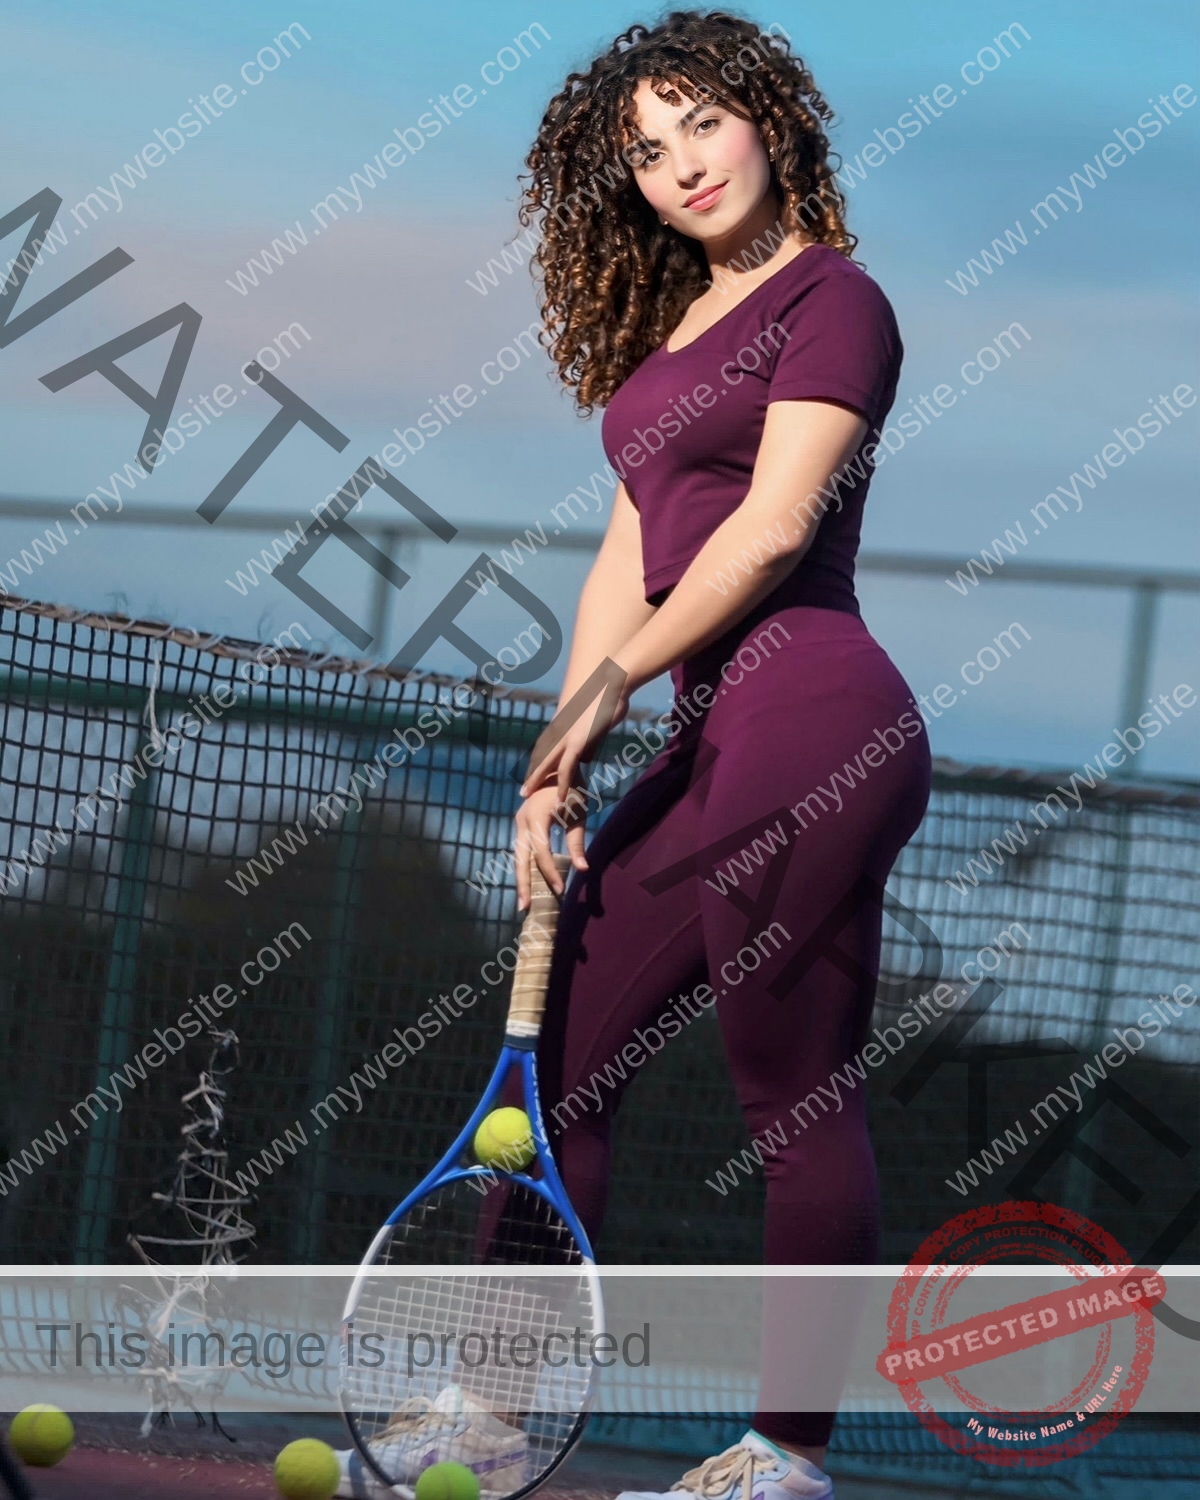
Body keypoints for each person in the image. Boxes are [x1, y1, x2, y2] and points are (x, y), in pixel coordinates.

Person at [336, 11, 930, 1500]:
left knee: (790, 1088)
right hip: (700, 728)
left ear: (771, 121)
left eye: (701, 126)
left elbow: (773, 526)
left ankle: (787, 1455)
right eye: (648, 157)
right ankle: (488, 1413)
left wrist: (611, 687)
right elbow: (627, 559)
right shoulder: (664, 347)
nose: (681, 169)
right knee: (549, 1079)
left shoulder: (837, 299)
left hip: (816, 720)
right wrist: (559, 745)